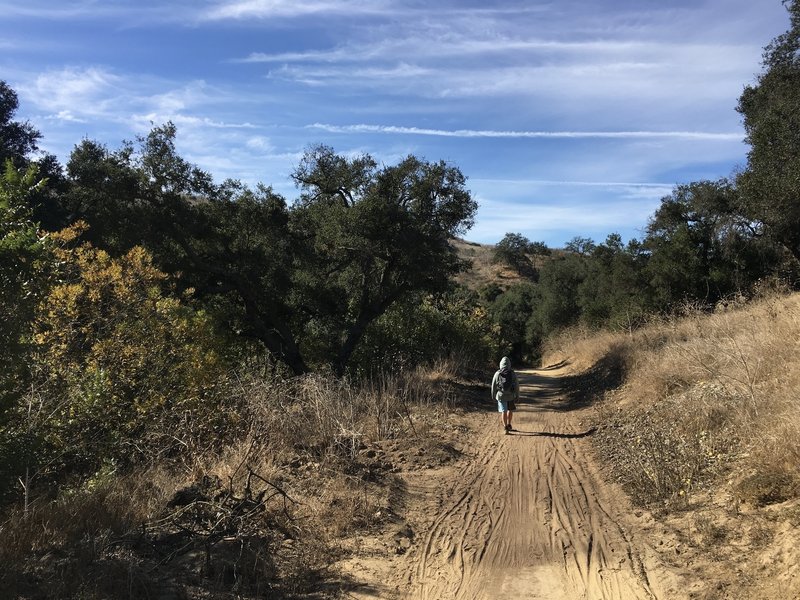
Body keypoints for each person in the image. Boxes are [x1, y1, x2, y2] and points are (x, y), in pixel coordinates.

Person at [491, 356, 519, 434]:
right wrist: (517, 395)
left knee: (504, 411)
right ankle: (509, 424)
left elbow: (493, 385)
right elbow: (517, 385)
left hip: (501, 395)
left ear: (500, 364)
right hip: (511, 395)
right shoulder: (513, 373)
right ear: (509, 364)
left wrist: (493, 395)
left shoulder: (497, 373)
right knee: (510, 410)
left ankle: (505, 427)